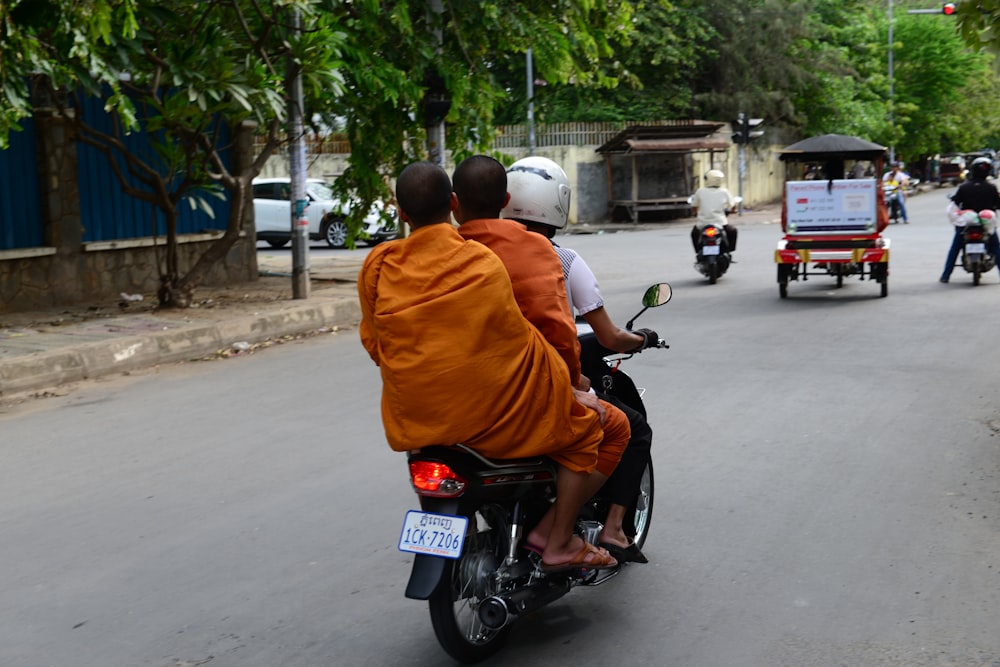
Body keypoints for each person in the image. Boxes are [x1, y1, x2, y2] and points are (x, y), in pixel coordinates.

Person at [359, 161, 623, 571]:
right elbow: (521, 340)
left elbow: (377, 344)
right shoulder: (479, 260)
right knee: (592, 428)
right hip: (491, 417)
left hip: (416, 420)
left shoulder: (378, 264)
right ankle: (559, 543)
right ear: (450, 203)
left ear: (401, 211)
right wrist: (568, 382)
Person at [452, 155, 653, 563]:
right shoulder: (551, 256)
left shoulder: (446, 252)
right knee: (617, 427)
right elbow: (566, 337)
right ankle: (573, 535)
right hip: (526, 393)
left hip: (456, 394)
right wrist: (576, 386)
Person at [939, 156, 1000, 283]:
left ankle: (946, 275)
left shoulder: (964, 187)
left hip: (967, 225)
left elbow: (955, 202)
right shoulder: (991, 188)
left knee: (955, 248)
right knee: (996, 248)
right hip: (985, 225)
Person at [689, 169, 738, 254]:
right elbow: (733, 205)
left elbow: (694, 206)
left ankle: (698, 251)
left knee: (694, 234)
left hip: (702, 224)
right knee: (733, 231)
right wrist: (732, 211)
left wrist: (695, 213)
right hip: (720, 223)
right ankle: (730, 249)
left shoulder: (700, 191)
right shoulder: (724, 191)